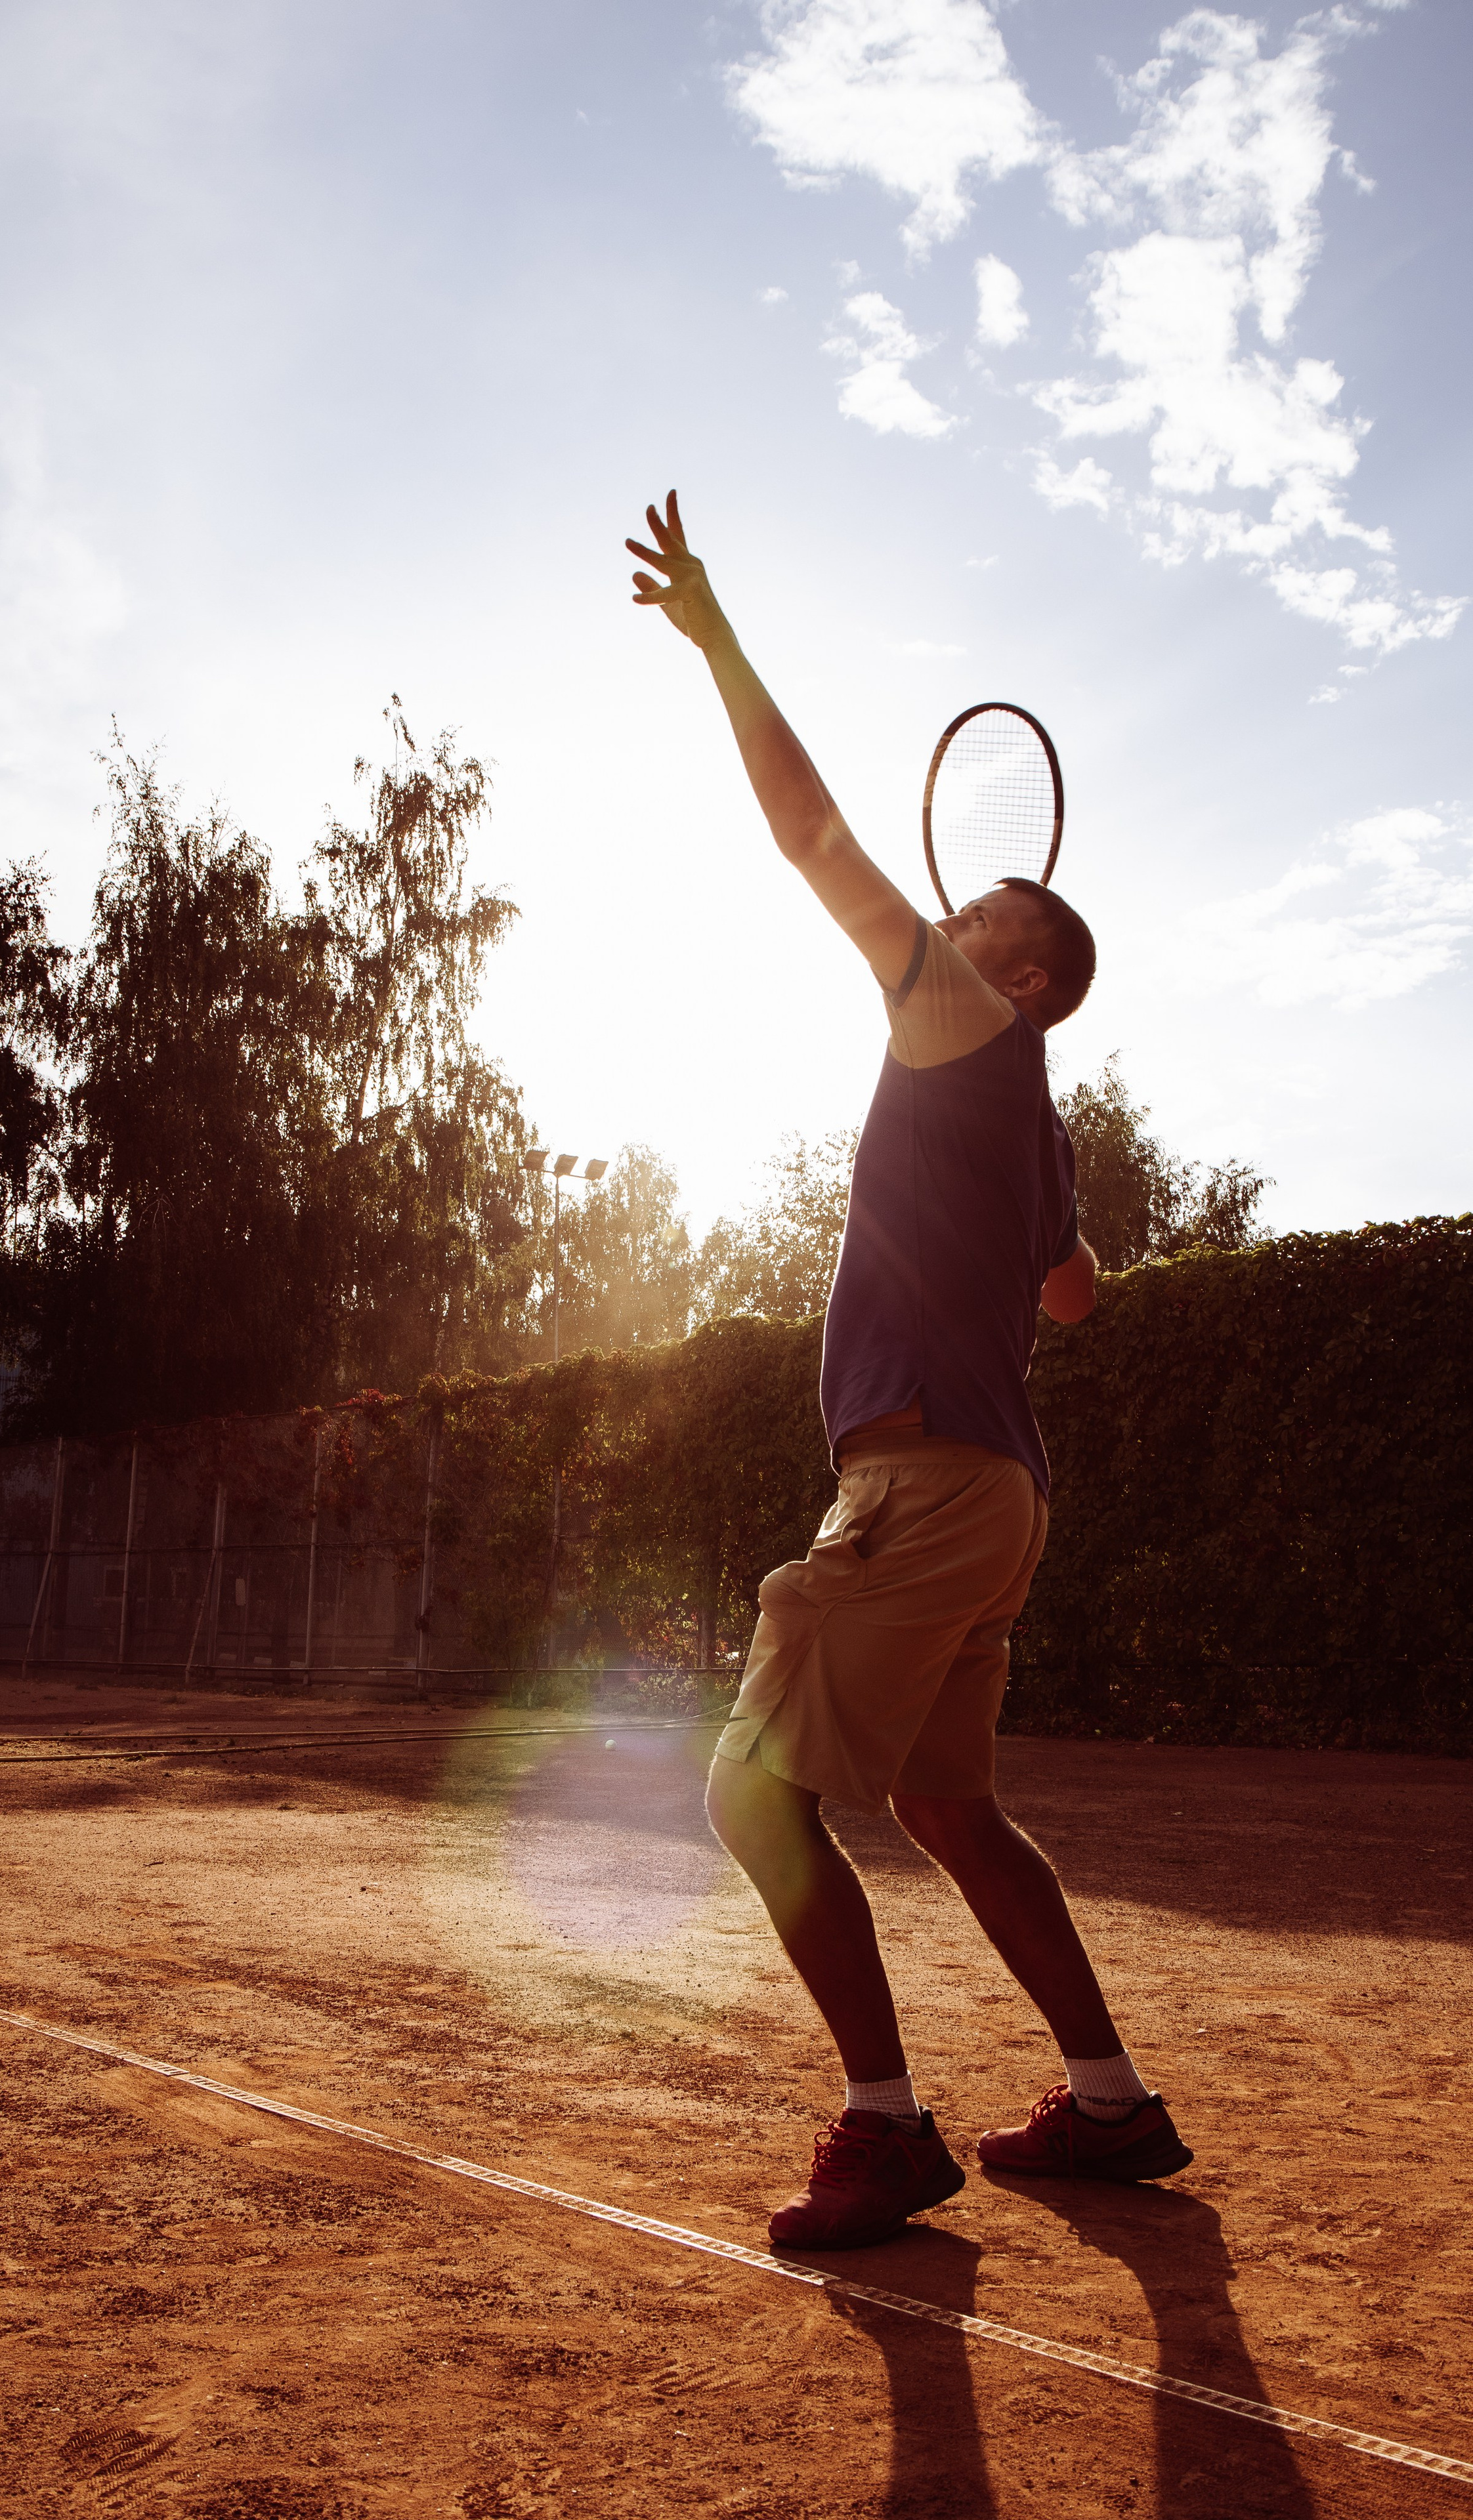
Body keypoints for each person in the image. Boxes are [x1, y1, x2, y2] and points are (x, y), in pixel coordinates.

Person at [626, 491, 1191, 2250]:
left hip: (926, 1478)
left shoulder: (967, 1016)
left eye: (989, 907)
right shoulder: (1040, 1123)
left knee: (746, 1785)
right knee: (948, 1802)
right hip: (1002, 1492)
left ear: (1018, 960)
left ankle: (885, 2127)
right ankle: (1108, 2106)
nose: (958, 906)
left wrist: (717, 640)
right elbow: (1080, 1298)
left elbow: (811, 831)